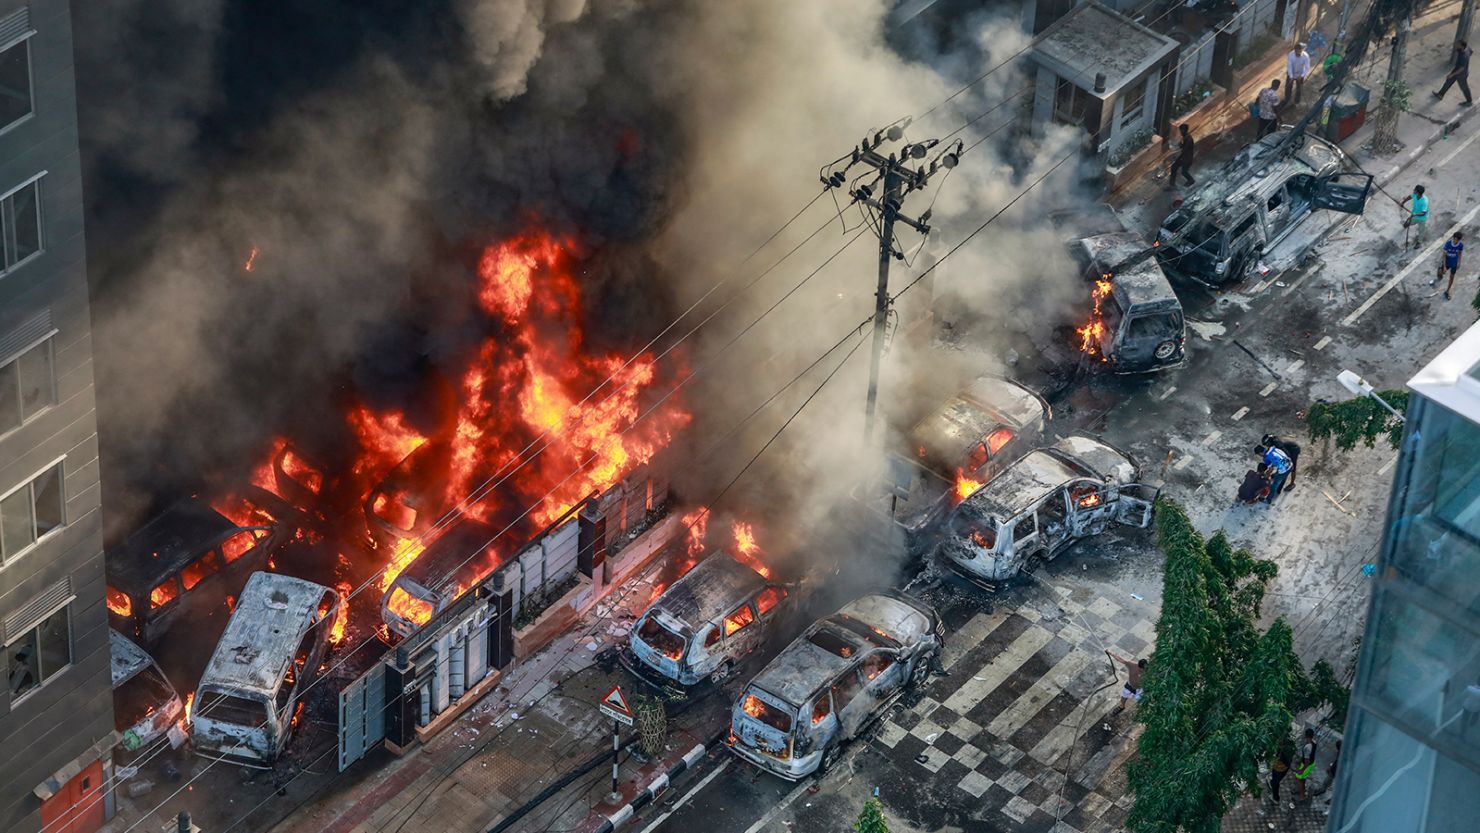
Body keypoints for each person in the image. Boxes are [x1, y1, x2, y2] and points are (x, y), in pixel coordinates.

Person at [1433, 40, 1474, 106]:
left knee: (1464, 87)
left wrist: (1452, 74)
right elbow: (1472, 51)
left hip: (1461, 74)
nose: (1456, 45)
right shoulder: (1467, 49)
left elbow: (1462, 68)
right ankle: (1440, 94)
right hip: (1457, 70)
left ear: (1462, 46)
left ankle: (1469, 101)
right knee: (1448, 81)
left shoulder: (1463, 56)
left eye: (1458, 44)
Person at [1108, 650, 1146, 716]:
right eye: (1141, 669)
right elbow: (1121, 660)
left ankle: (1142, 712)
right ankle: (1122, 706)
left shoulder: (1149, 672)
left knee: (1140, 700)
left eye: (1144, 669)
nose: (1142, 670)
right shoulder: (1132, 665)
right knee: (1124, 696)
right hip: (1130, 684)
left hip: (1140, 689)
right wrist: (1110, 653)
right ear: (1139, 666)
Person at [1436, 231, 1465, 300]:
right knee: (1442, 272)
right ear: (1453, 238)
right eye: (1455, 239)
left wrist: (1459, 262)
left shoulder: (1461, 245)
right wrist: (1445, 266)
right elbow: (1444, 255)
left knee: (1452, 277)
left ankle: (1447, 291)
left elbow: (1460, 253)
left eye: (1457, 240)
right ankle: (1440, 272)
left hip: (1454, 263)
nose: (1456, 241)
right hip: (1447, 262)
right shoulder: (1448, 244)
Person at [1269, 735, 1295, 805]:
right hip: (1285, 767)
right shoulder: (1290, 743)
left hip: (1278, 768)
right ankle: (1273, 783)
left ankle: (1275, 798)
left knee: (1275, 783)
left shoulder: (1281, 748)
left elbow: (1278, 756)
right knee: (1277, 780)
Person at [1168, 123, 1195, 188]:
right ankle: (1172, 185)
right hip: (1185, 157)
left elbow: (1184, 150)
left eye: (1181, 131)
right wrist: (1180, 144)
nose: (1180, 132)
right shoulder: (1186, 137)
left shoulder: (1188, 139)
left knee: (1183, 171)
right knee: (1175, 168)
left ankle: (1191, 180)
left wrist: (1178, 158)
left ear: (1184, 130)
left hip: (1187, 158)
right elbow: (1183, 147)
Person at [1295, 728, 1318, 804]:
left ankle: (1302, 796)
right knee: (1303, 778)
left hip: (1307, 765)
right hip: (1312, 763)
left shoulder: (1307, 747)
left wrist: (1302, 769)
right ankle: (1302, 790)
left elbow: (1307, 761)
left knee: (1298, 778)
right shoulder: (1314, 742)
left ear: (1306, 735)